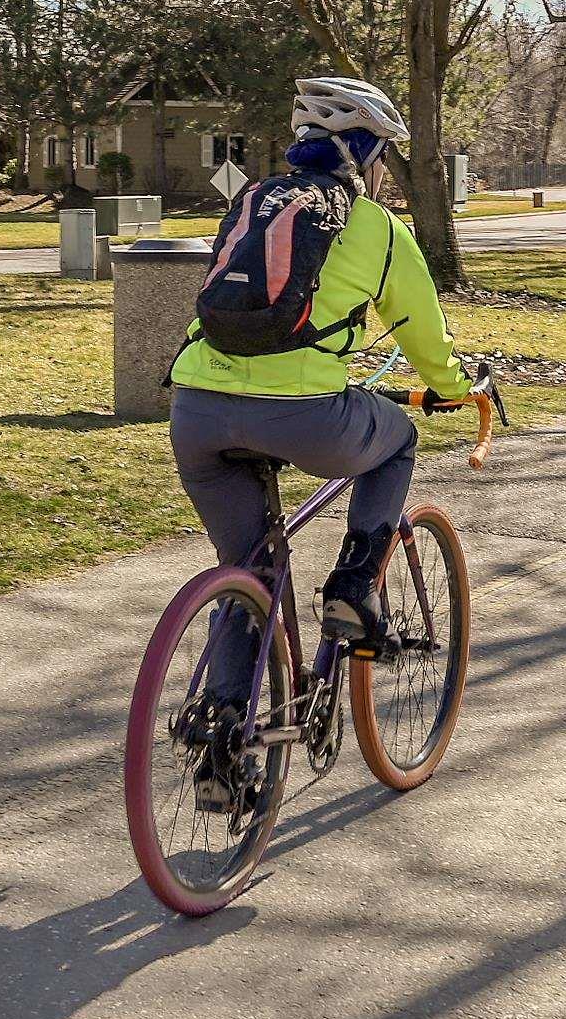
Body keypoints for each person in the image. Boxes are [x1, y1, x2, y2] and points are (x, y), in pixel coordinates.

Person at [168, 76, 472, 678]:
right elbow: (424, 338)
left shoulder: (254, 203)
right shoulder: (379, 227)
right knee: (398, 441)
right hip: (304, 415)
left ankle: (226, 730)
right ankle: (355, 588)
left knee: (247, 569)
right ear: (366, 155)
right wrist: (457, 387)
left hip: (196, 410)